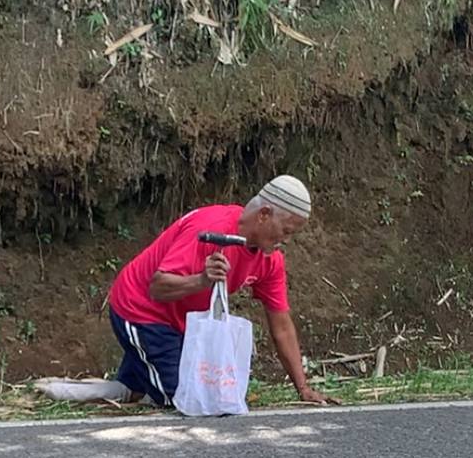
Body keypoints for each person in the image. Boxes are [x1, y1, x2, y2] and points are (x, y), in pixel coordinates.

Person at [35, 175, 338, 409]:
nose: (286, 240)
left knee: (187, 392)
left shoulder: (270, 259)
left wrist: (303, 388)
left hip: (182, 324)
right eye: (286, 231)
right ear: (264, 214)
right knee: (184, 398)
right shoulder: (210, 229)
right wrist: (201, 280)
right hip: (141, 311)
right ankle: (128, 386)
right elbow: (157, 287)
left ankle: (109, 388)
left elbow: (281, 324)